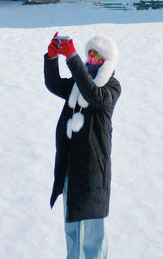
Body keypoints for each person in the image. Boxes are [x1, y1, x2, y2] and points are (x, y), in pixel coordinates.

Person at [44, 32, 121, 259]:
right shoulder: (79, 84)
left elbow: (93, 95)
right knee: (72, 228)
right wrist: (52, 57)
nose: (92, 60)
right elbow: (54, 84)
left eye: (97, 56)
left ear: (108, 61)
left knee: (92, 234)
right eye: (89, 55)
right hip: (70, 165)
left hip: (93, 170)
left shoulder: (111, 87)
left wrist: (72, 58)